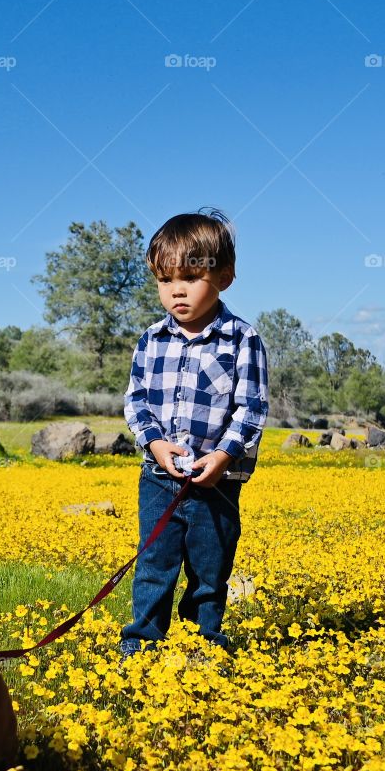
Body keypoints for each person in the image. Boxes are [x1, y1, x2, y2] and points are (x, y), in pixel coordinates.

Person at [119, 207, 269, 657]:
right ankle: (142, 643)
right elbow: (136, 400)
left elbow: (252, 407)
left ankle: (203, 643)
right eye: (166, 280)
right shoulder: (151, 339)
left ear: (224, 276)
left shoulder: (243, 339)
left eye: (191, 277)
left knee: (211, 566)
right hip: (160, 477)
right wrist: (155, 443)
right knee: (153, 564)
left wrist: (223, 455)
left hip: (217, 484)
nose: (176, 291)